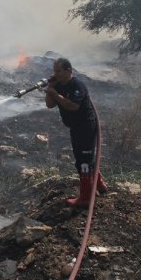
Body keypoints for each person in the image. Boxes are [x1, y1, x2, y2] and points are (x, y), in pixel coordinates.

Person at [44, 57, 107, 207]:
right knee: (84, 159)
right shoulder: (58, 86)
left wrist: (55, 94)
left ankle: (86, 198)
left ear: (69, 70)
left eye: (59, 71)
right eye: (55, 71)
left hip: (86, 126)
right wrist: (51, 89)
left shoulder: (77, 85)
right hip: (75, 128)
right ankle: (99, 186)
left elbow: (73, 106)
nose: (56, 74)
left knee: (84, 162)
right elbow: (50, 105)